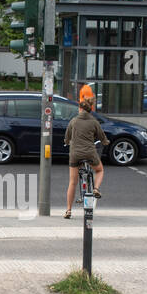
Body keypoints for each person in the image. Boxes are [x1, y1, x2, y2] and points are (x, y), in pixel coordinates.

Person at [64, 89, 107, 218]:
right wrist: (106, 142)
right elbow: (102, 137)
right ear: (90, 109)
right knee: (99, 170)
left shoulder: (73, 121)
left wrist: (67, 141)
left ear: (80, 109)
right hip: (90, 153)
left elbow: (67, 137)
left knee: (72, 182)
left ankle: (68, 210)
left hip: (75, 154)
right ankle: (96, 188)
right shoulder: (94, 122)